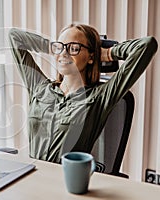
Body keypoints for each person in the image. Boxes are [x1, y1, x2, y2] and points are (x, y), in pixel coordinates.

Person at [8, 23, 158, 163]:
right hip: (32, 175)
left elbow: (146, 45)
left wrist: (106, 53)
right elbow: (14, 36)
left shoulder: (100, 97)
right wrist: (53, 48)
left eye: (73, 48)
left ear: (91, 56)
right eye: (60, 47)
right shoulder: (39, 87)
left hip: (65, 182)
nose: (64, 53)